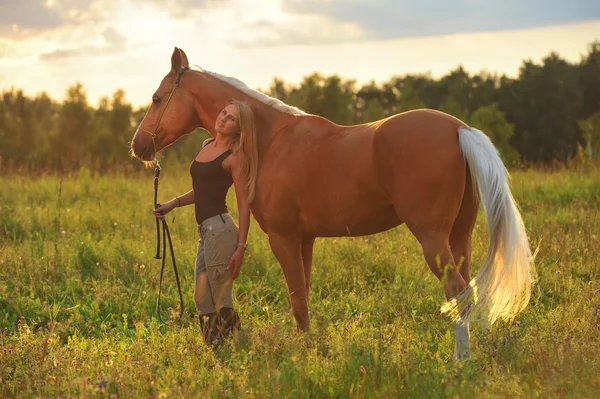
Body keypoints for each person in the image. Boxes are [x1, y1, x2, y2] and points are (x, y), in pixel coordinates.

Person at [152, 100, 258, 345]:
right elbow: (202, 190)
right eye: (223, 112)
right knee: (201, 297)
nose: (223, 118)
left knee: (221, 297)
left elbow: (244, 203)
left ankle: (232, 348)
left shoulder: (234, 156)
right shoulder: (207, 145)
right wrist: (172, 204)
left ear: (238, 129)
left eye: (230, 118)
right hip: (206, 231)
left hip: (221, 231)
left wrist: (241, 248)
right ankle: (218, 348)